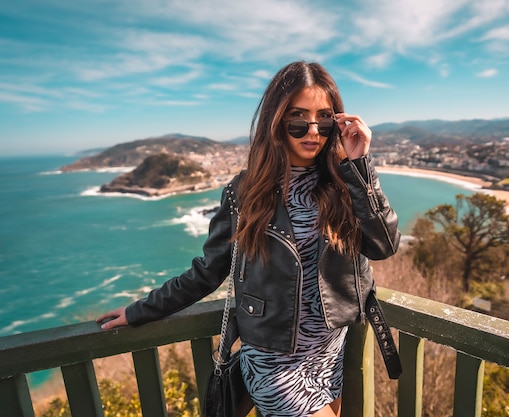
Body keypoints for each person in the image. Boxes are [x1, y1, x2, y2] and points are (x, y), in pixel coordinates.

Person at [97, 61, 400, 417]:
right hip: (273, 363)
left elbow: (383, 245)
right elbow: (207, 272)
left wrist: (360, 164)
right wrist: (139, 311)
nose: (313, 131)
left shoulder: (343, 184)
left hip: (330, 355)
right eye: (298, 118)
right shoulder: (245, 193)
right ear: (276, 122)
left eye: (325, 118)